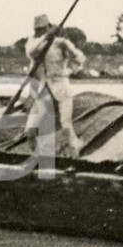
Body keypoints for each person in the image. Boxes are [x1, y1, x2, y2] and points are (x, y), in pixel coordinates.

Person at [24, 14, 86, 157]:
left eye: (42, 29)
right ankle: (36, 157)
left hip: (61, 88)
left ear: (48, 27)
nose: (39, 32)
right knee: (30, 130)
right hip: (43, 89)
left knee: (66, 125)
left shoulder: (61, 43)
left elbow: (80, 58)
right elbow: (30, 52)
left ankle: (76, 151)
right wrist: (46, 37)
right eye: (37, 30)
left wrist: (70, 70)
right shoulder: (33, 43)